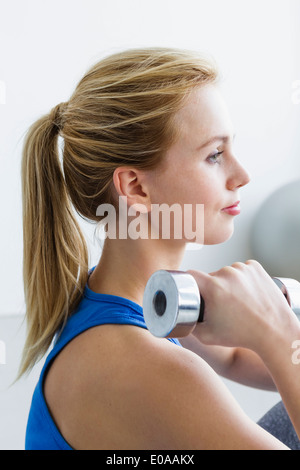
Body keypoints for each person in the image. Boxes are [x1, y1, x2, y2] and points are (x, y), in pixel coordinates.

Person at [21, 47, 300, 450]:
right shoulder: (148, 369)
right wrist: (278, 331)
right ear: (136, 187)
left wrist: (272, 331)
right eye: (215, 155)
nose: (242, 175)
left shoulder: (144, 300)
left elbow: (236, 357)